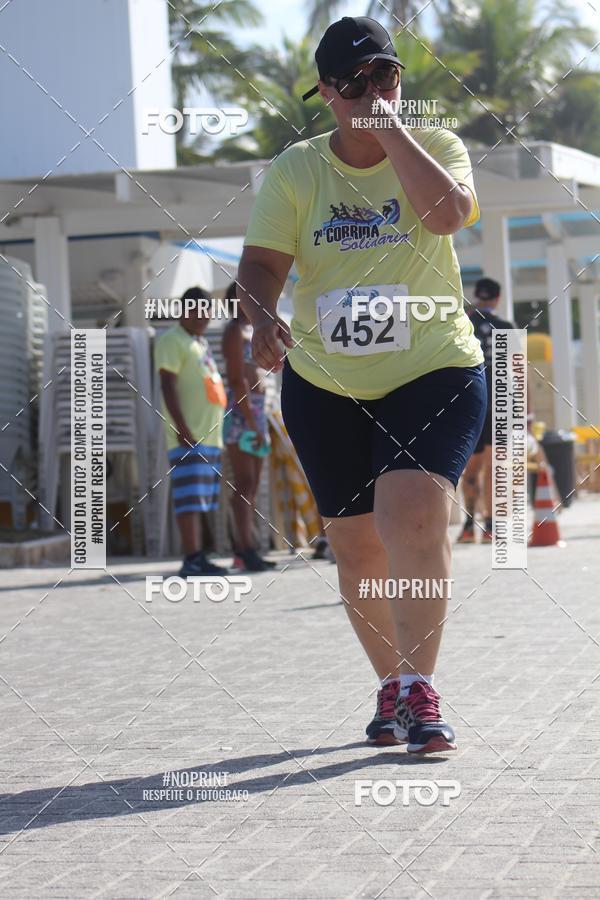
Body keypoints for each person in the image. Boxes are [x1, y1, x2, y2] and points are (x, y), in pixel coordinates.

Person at [237, 16, 487, 754]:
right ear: (325, 92)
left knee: (411, 511)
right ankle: (390, 682)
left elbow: (447, 215)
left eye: (385, 76)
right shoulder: (297, 170)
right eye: (353, 83)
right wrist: (259, 318)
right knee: (355, 547)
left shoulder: (435, 147)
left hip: (433, 366)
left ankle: (421, 685)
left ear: (399, 81)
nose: (371, 92)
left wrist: (392, 133)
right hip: (326, 381)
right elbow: (260, 268)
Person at [154, 286, 229, 577]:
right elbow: (167, 385)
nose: (202, 317)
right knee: (189, 500)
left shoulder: (199, 343)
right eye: (196, 311)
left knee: (203, 500)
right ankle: (191, 559)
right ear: (184, 311)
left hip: (210, 437)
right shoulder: (172, 340)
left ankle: (202, 556)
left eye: (207, 311)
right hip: (189, 436)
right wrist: (182, 428)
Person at [457, 277, 518, 544]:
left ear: (477, 296)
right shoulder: (505, 326)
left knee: (471, 468)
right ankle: (492, 525)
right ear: (498, 298)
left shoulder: (464, 322)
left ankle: (470, 525)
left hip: (469, 400)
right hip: (500, 400)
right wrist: (525, 414)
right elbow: (517, 371)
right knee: (496, 467)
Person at [222, 280, 276, 572]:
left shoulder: (250, 330)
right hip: (242, 414)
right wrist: (253, 422)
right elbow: (235, 379)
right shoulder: (234, 331)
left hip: (254, 412)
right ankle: (243, 548)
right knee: (243, 484)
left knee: (252, 484)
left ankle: (250, 545)